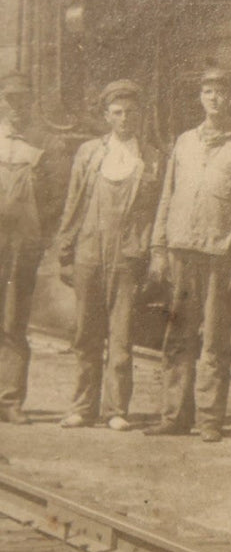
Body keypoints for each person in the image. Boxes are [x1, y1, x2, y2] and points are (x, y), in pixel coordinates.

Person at [146, 68, 231, 442]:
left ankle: (210, 419)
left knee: (214, 340)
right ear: (200, 97)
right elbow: (167, 196)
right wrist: (158, 248)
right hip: (182, 252)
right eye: (208, 91)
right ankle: (174, 416)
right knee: (178, 336)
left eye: (221, 92)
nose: (214, 98)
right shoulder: (183, 142)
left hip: (219, 257)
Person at [54, 79, 162, 431]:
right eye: (117, 113)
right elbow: (72, 203)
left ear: (140, 115)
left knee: (122, 337)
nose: (125, 119)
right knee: (86, 334)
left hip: (127, 257)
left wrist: (152, 256)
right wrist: (65, 252)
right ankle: (82, 407)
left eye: (131, 112)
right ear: (106, 115)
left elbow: (158, 212)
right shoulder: (89, 153)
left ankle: (116, 410)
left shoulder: (152, 158)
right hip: (88, 252)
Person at [0, 72, 64, 425]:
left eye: (22, 99)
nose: (15, 106)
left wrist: (41, 234)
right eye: (9, 98)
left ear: (32, 101)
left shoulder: (47, 143)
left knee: (13, 322)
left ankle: (9, 400)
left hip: (21, 247)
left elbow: (58, 198)